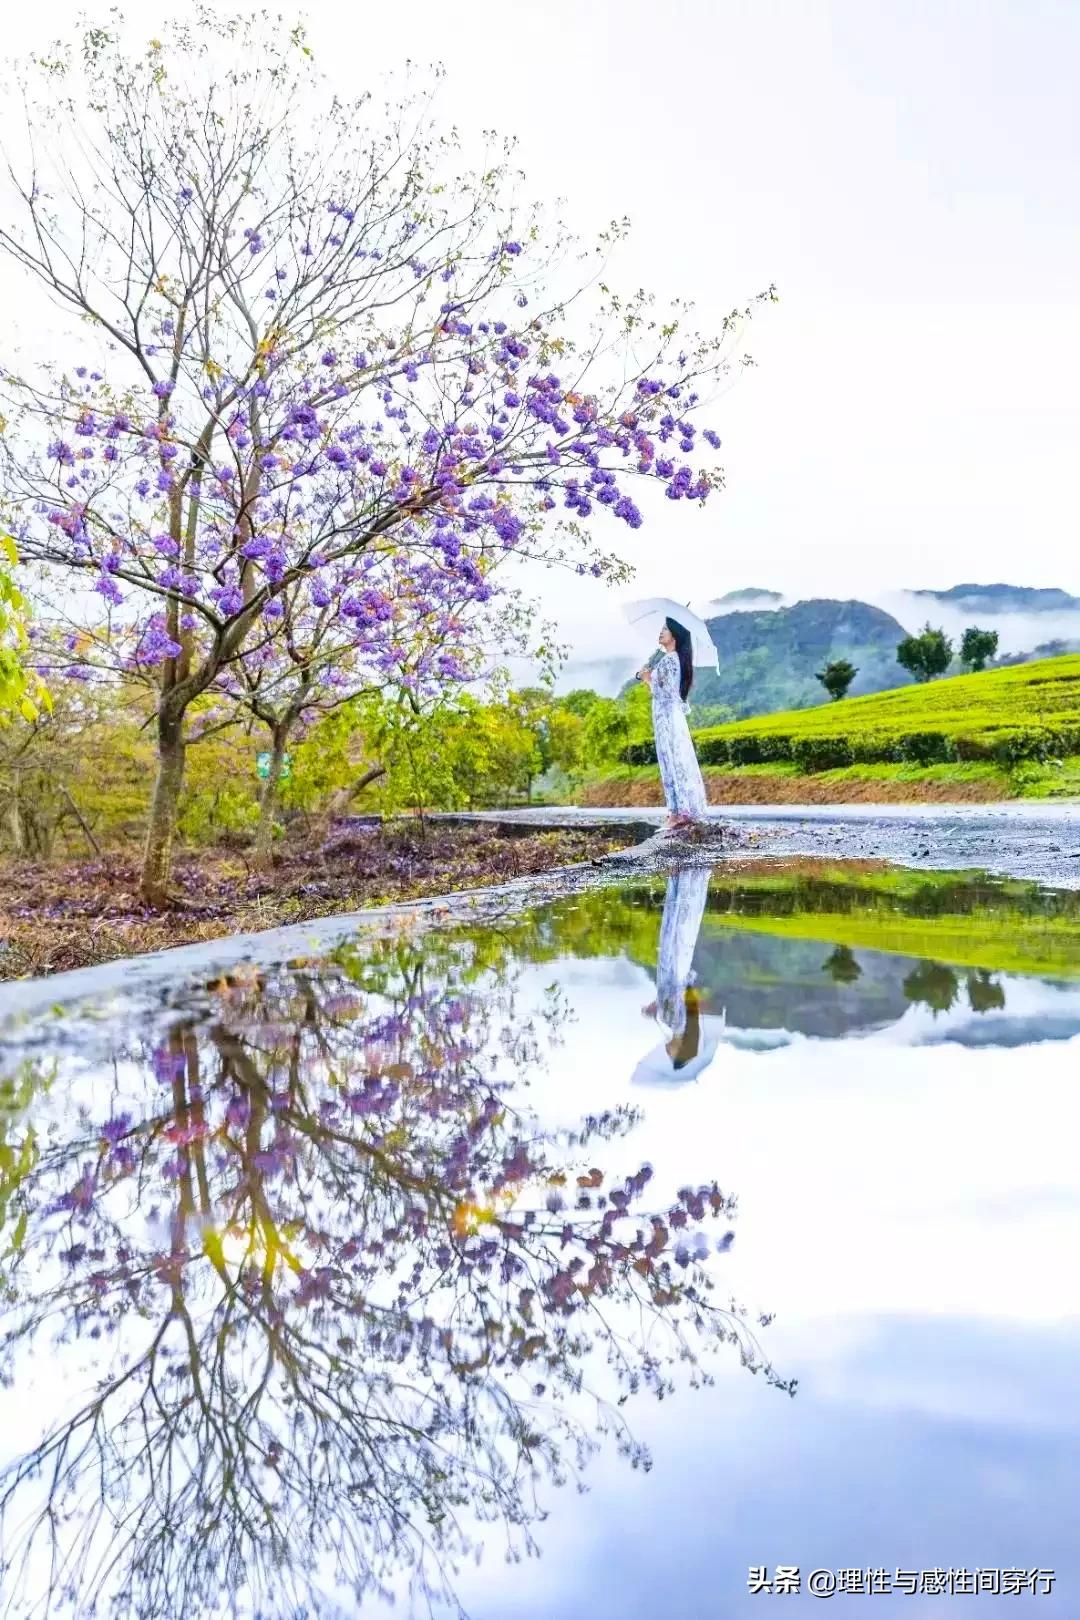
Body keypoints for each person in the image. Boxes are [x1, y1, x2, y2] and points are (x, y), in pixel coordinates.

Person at [637, 616, 707, 828]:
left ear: (675, 634)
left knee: (671, 763)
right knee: (677, 762)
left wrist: (648, 679)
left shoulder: (669, 660)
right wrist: (650, 677)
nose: (661, 632)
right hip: (671, 718)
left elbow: (664, 693)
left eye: (665, 629)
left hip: (666, 719)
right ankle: (680, 812)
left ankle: (677, 814)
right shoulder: (676, 660)